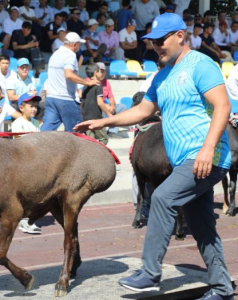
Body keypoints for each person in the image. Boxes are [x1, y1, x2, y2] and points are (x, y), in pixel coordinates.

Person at [74, 13, 234, 300]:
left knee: (161, 198)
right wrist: (102, 122)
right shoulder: (162, 76)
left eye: (162, 41)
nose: (157, 47)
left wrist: (208, 148)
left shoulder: (201, 64)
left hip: (206, 157)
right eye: (152, 42)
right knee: (202, 227)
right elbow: (142, 112)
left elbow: (222, 106)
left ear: (181, 36)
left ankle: (150, 273)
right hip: (184, 161)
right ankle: (223, 289)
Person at [41, 32, 97, 132]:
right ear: (75, 45)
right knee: (76, 134)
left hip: (51, 99)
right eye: (79, 44)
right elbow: (69, 74)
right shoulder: (70, 56)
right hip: (66, 100)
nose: (80, 47)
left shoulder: (55, 54)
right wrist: (87, 82)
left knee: (45, 134)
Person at [11, 92, 42, 234]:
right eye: (31, 106)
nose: (34, 109)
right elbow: (19, 143)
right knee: (25, 194)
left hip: (34, 163)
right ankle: (24, 221)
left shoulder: (35, 123)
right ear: (22, 108)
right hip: (22, 163)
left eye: (35, 106)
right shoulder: (18, 123)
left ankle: (25, 219)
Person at [80, 62, 109, 145]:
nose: (101, 73)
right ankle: (99, 155)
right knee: (104, 139)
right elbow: (100, 103)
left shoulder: (85, 86)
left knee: (90, 140)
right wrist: (108, 114)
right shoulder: (98, 85)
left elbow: (83, 103)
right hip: (96, 118)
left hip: (86, 118)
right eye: (100, 71)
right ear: (96, 73)